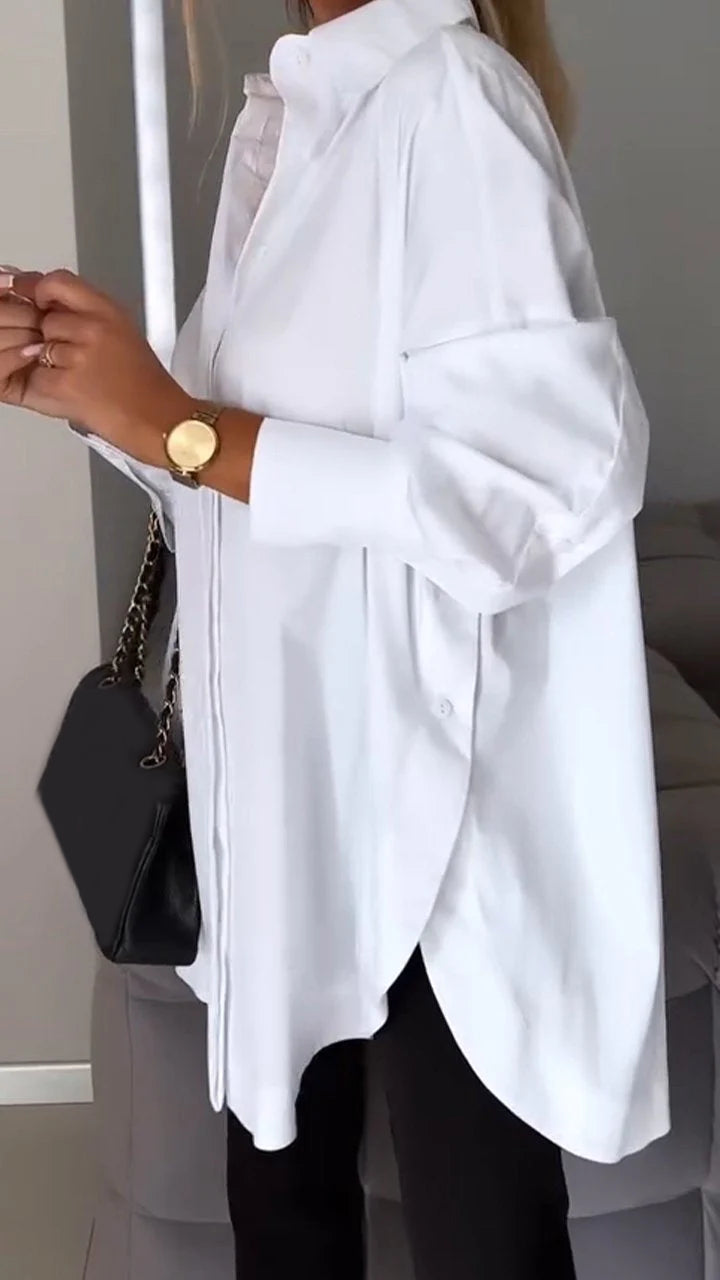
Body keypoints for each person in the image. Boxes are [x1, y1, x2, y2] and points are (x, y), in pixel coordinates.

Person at [0, 0, 669, 1276]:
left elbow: (539, 489)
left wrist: (179, 426)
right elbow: (235, 480)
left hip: (432, 820)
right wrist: (102, 398)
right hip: (295, 797)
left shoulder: (453, 102)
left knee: (480, 1240)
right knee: (283, 1221)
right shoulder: (292, 118)